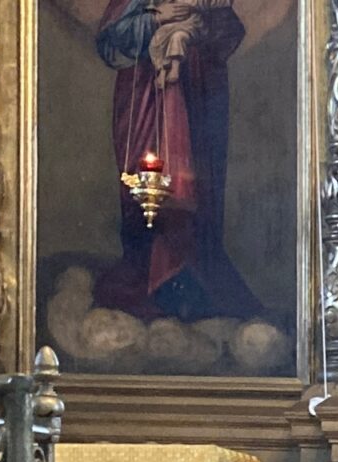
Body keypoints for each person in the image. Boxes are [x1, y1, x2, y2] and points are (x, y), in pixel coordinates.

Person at [95, 0, 262, 322]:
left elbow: (229, 30)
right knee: (145, 190)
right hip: (144, 97)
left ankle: (194, 276)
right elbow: (110, 41)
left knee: (196, 191)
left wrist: (198, 25)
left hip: (197, 94)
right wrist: (155, 19)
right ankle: (147, 276)